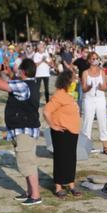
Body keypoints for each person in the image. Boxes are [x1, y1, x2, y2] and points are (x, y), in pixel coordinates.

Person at [0, 59, 44, 207]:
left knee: (27, 163)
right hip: (24, 129)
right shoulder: (30, 83)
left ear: (23, 71)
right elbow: (10, 84)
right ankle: (29, 192)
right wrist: (6, 73)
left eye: (19, 69)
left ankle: (35, 195)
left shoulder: (23, 85)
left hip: (24, 130)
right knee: (25, 161)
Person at [44, 69, 81, 197]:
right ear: (67, 81)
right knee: (60, 158)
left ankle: (71, 183)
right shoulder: (59, 95)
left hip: (72, 131)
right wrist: (53, 126)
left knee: (71, 158)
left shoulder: (68, 95)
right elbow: (46, 111)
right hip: (62, 131)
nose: (75, 81)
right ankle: (58, 186)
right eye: (73, 79)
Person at [80, 51, 107, 156]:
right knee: (87, 122)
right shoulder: (85, 73)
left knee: (102, 121)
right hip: (89, 99)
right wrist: (88, 87)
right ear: (89, 60)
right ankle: (85, 146)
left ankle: (106, 146)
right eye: (93, 58)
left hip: (100, 99)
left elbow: (106, 87)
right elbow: (83, 89)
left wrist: (101, 87)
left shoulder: (102, 72)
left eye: (96, 58)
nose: (95, 60)